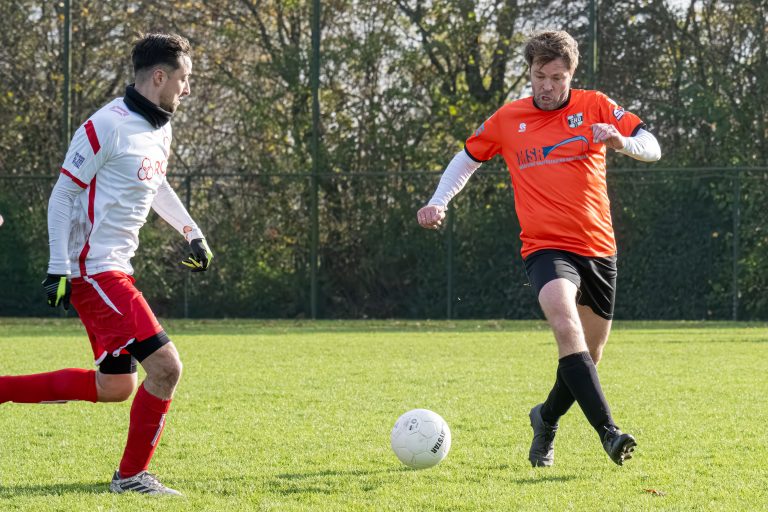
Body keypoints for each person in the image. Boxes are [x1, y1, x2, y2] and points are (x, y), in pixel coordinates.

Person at [417, 30, 661, 466]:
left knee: (590, 354)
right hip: (545, 249)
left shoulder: (596, 106)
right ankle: (609, 433)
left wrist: (621, 142)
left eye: (556, 77)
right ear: (528, 72)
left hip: (599, 249)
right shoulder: (509, 118)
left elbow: (652, 146)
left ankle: (545, 419)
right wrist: (439, 201)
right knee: (565, 327)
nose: (546, 85)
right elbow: (467, 157)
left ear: (571, 75)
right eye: (538, 75)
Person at [0, 32, 212, 495]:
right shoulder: (105, 126)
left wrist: (190, 231)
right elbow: (62, 195)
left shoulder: (161, 127)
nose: (188, 88)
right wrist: (59, 267)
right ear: (160, 77)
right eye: (184, 78)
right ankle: (132, 477)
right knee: (166, 368)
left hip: (114, 269)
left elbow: (156, 184)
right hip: (96, 271)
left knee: (116, 386)